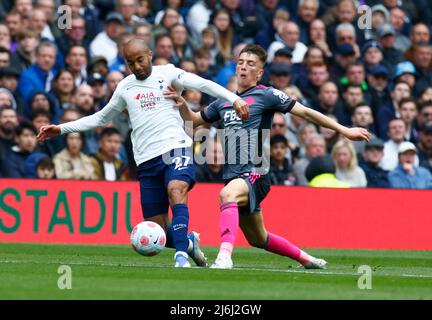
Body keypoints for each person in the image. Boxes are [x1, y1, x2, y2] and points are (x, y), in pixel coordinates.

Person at [37, 38, 249, 268]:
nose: (137, 67)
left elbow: (204, 84)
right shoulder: (125, 87)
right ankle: (187, 243)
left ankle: (180, 257)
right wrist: (61, 128)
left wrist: (235, 98)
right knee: (157, 229)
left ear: (149, 55)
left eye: (140, 60)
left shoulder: (168, 73)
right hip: (146, 161)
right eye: (131, 63)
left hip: (175, 148)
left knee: (176, 188)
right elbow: (100, 118)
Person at [168, 44, 370, 269]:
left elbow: (305, 112)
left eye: (250, 64)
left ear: (260, 72)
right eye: (241, 62)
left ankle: (224, 257)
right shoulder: (223, 100)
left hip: (256, 171)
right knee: (258, 238)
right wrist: (183, 104)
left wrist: (344, 130)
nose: (244, 67)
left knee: (227, 195)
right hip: (234, 175)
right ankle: (306, 259)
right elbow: (193, 121)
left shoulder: (267, 95)